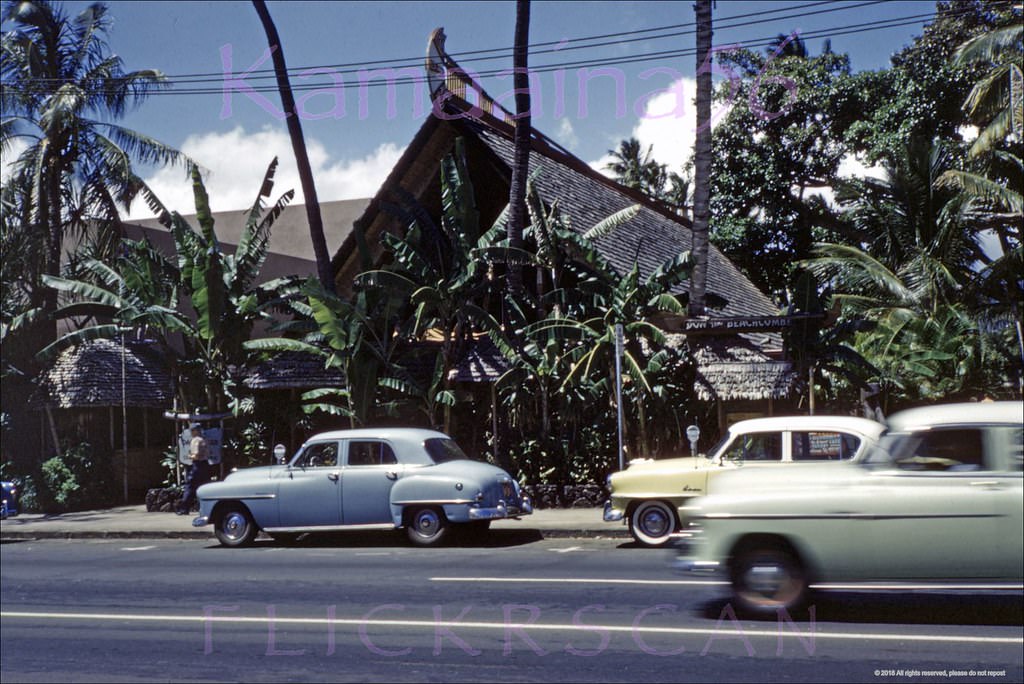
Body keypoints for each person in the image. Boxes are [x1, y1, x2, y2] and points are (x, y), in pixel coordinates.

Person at [176, 423, 213, 515]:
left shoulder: (196, 440)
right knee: (204, 487)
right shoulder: (204, 439)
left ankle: (184, 509)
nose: (191, 432)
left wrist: (190, 456)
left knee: (190, 487)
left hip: (198, 465)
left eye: (192, 430)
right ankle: (206, 509)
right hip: (205, 465)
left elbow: (196, 456)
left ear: (196, 431)